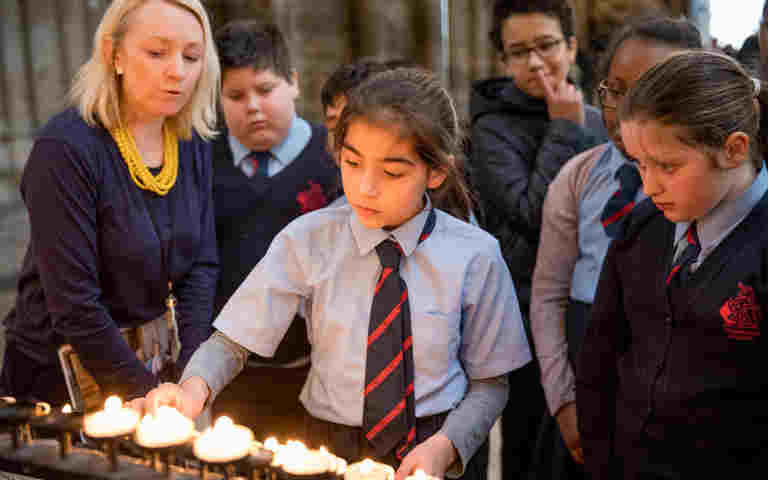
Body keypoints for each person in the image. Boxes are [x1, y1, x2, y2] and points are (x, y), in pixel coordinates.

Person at [138, 67, 530, 480]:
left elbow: (491, 384)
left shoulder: (475, 255)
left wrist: (447, 445)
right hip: (328, 445)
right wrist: (191, 389)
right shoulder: (310, 238)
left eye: (392, 172)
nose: (365, 187)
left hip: (433, 439)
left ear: (436, 172)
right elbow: (233, 341)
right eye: (352, 162)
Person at [1, 0, 219, 408]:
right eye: (156, 53)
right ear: (112, 54)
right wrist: (142, 389)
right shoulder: (65, 149)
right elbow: (73, 302)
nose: (178, 71)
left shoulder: (191, 141)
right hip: (59, 380)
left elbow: (201, 267)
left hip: (152, 368)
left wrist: (192, 373)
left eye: (192, 56)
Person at [577, 51, 768, 478]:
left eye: (668, 166)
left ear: (733, 150)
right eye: (640, 164)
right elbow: (601, 354)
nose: (649, 184)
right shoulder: (646, 226)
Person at [529, 16, 701, 479]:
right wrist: (563, 400)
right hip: (583, 374)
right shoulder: (579, 178)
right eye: (616, 90)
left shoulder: (699, 188)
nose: (627, 110)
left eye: (650, 92)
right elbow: (548, 294)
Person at [470, 0, 608, 476]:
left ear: (571, 46)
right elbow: (531, 213)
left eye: (547, 45)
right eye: (519, 51)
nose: (535, 62)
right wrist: (565, 128)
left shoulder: (600, 117)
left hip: (596, 306)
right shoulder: (490, 129)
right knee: (530, 450)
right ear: (503, 61)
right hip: (526, 313)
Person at [209, 20, 340, 439]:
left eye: (265, 90)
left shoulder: (334, 159)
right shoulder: (202, 162)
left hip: (316, 372)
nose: (252, 106)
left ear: (294, 83)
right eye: (235, 95)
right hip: (231, 372)